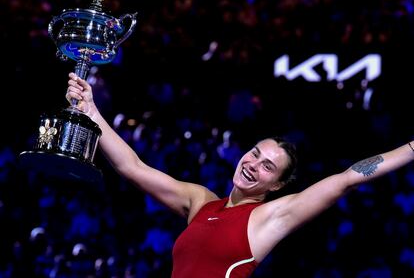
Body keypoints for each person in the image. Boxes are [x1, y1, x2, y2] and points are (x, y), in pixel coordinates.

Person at [66, 72, 414, 278]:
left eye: (267, 166)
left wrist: (412, 149)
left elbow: (347, 179)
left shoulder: (271, 217)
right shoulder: (199, 201)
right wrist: (91, 111)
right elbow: (132, 167)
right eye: (255, 154)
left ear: (277, 185)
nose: (252, 164)